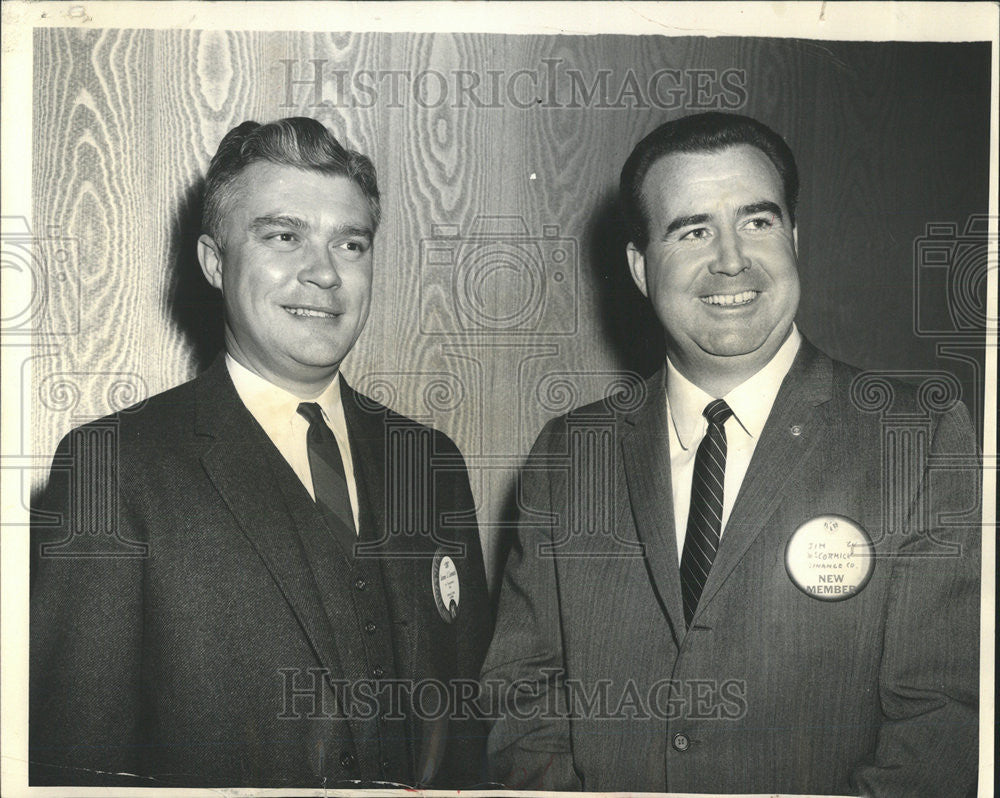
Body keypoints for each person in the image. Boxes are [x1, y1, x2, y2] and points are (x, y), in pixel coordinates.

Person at [481, 112, 980, 795]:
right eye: (692, 230)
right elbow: (521, 705)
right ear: (639, 267)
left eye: (758, 222)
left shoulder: (918, 440)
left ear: (795, 238)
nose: (731, 260)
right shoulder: (569, 457)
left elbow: (942, 724)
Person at [30, 117, 492, 788]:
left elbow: (470, 734)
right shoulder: (113, 467)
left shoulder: (432, 464)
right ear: (215, 262)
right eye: (284, 236)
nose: (325, 273)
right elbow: (72, 764)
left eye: (351, 244)